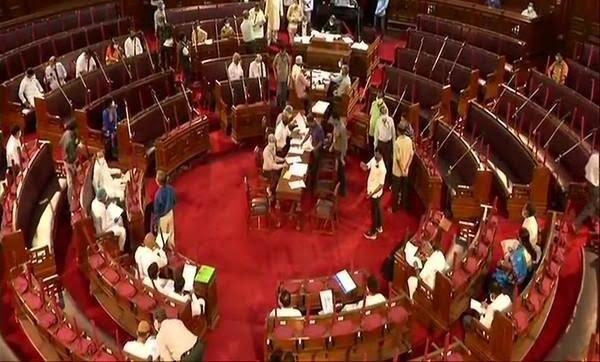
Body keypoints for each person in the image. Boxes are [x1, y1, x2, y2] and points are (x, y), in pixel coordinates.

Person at [361, 148, 386, 240]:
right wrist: (363, 166)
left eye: (377, 153)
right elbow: (367, 167)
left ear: (381, 155)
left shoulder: (383, 169)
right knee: (377, 209)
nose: (375, 155)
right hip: (371, 189)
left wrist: (371, 194)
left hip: (375, 193)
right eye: (375, 152)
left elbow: (381, 185)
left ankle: (373, 233)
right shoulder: (374, 159)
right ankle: (379, 226)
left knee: (374, 212)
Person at [391, 121, 414, 212]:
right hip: (406, 171)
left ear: (398, 131)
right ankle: (404, 207)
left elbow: (398, 159)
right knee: (404, 190)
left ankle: (395, 209)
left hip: (397, 171)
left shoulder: (397, 142)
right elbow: (412, 155)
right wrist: (406, 168)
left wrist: (402, 170)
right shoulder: (409, 140)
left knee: (396, 191)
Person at [574, 150, 599, 232]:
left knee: (592, 205)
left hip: (588, 182)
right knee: (591, 207)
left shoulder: (594, 156)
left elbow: (586, 168)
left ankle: (592, 220)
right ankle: (577, 223)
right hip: (595, 186)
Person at [153, 170, 177, 249]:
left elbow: (157, 210)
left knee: (162, 236)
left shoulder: (157, 195)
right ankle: (172, 249)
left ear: (157, 181)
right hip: (170, 213)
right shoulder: (171, 188)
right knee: (171, 233)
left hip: (163, 217)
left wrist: (155, 222)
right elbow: (174, 200)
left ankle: (162, 252)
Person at [373, 106, 395, 184]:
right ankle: (378, 178)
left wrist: (394, 147)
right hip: (380, 143)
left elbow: (393, 134)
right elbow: (376, 134)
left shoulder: (391, 120)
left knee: (387, 162)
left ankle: (386, 179)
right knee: (379, 162)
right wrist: (375, 146)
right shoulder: (378, 121)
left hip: (388, 144)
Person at [60, 121, 82, 201]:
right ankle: (73, 199)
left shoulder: (66, 133)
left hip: (66, 160)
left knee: (71, 181)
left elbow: (61, 144)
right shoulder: (70, 141)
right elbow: (72, 153)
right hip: (70, 162)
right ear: (74, 129)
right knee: (72, 181)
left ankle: (71, 198)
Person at [301, 114, 325, 186]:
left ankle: (313, 183)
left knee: (315, 167)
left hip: (317, 150)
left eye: (309, 124)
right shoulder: (312, 126)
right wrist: (302, 142)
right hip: (312, 147)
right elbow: (308, 134)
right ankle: (310, 177)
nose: (309, 125)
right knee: (310, 163)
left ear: (312, 121)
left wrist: (315, 149)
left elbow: (321, 142)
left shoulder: (319, 129)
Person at [328, 114, 348, 196]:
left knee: (341, 172)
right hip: (337, 150)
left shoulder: (341, 128)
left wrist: (342, 157)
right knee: (338, 171)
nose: (331, 121)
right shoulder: (336, 125)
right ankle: (338, 185)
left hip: (340, 152)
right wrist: (332, 146)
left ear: (336, 120)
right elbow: (335, 139)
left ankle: (343, 190)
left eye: (332, 119)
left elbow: (343, 144)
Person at [368, 91, 386, 156]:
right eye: (378, 96)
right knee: (370, 146)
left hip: (378, 131)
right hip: (372, 128)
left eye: (380, 96)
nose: (378, 98)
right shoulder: (373, 103)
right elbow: (370, 115)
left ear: (383, 98)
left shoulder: (384, 108)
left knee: (376, 148)